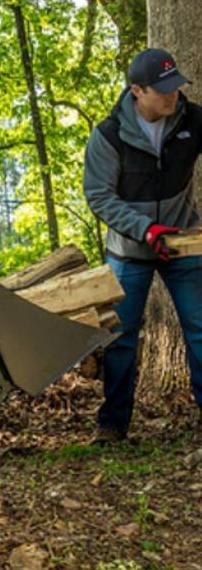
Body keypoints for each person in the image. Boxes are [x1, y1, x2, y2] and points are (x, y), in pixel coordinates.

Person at [83, 47, 202, 442]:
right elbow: (99, 197)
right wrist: (147, 229)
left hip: (184, 244)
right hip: (129, 251)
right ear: (137, 90)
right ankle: (112, 424)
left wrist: (171, 233)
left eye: (176, 86)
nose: (173, 95)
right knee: (121, 338)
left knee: (200, 330)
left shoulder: (192, 119)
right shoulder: (109, 135)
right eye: (163, 89)